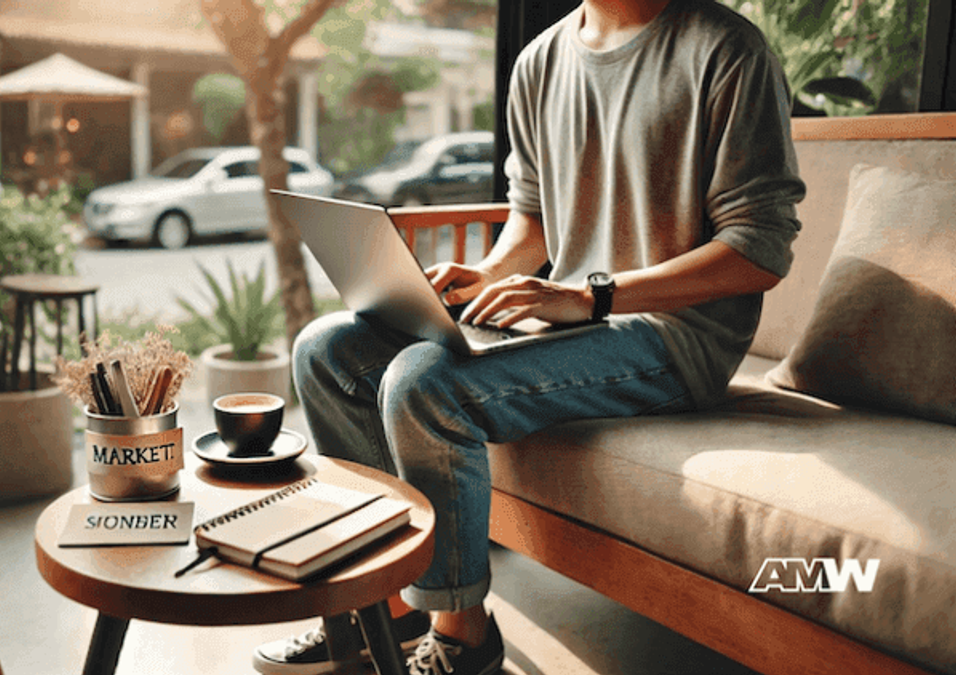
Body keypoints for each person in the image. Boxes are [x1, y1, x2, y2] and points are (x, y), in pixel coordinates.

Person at [254, 0, 806, 673]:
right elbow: (534, 222)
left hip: (673, 338)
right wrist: (481, 277)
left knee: (423, 384)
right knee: (326, 351)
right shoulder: (541, 60)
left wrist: (589, 294)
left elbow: (759, 250)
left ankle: (463, 634)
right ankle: (387, 609)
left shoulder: (727, 51)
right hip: (573, 316)